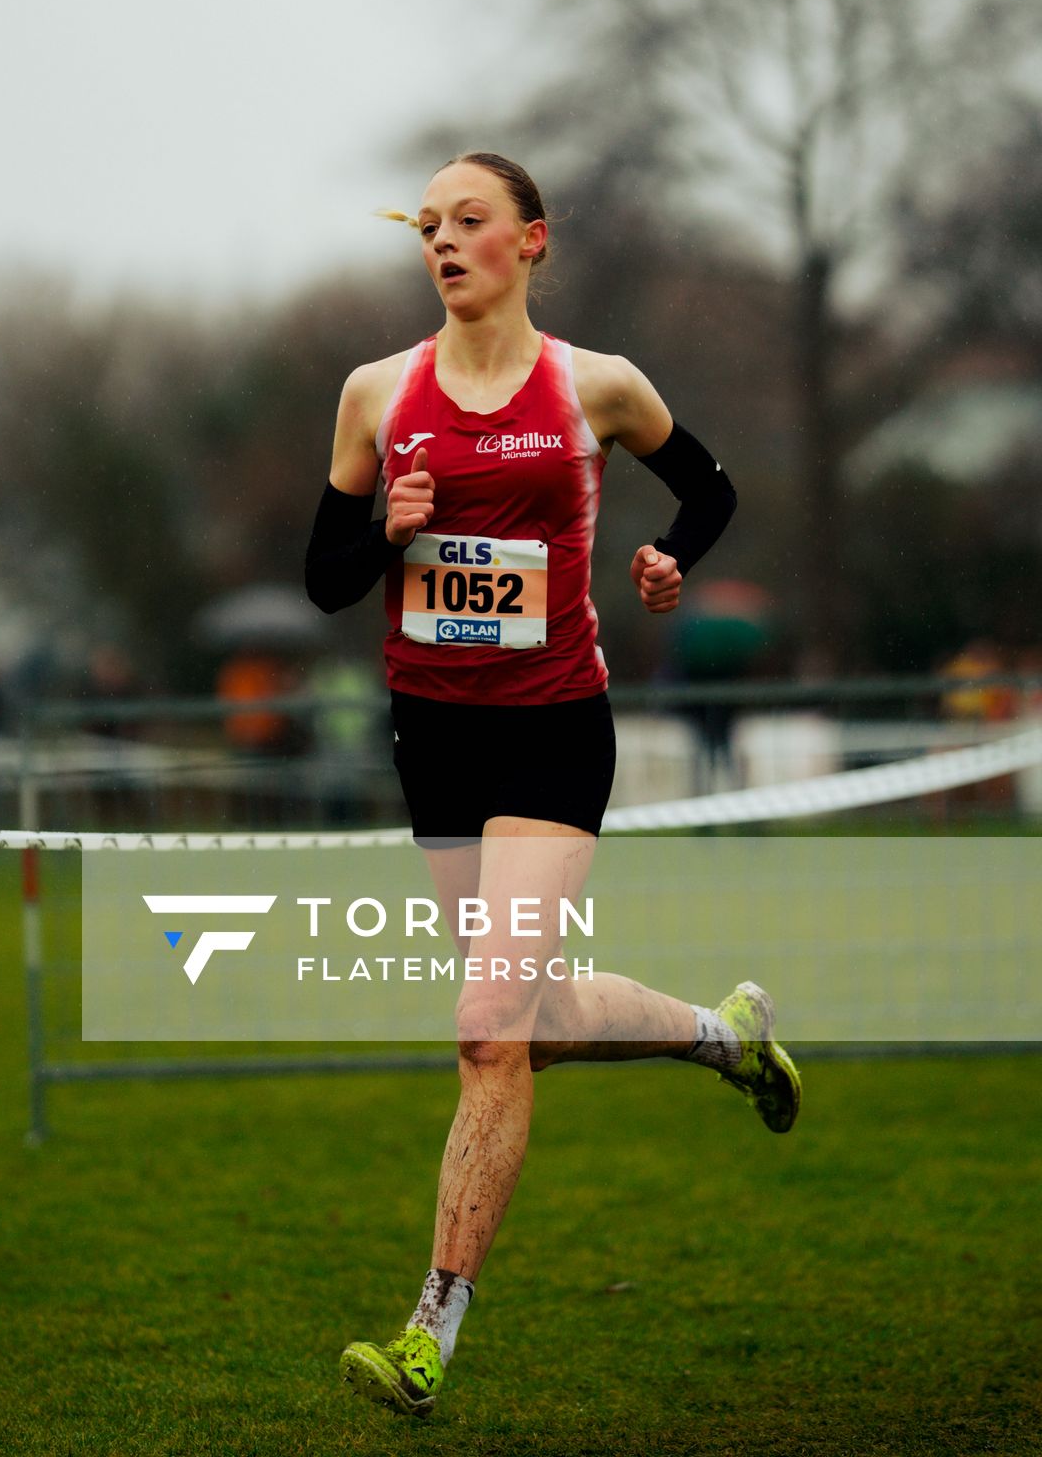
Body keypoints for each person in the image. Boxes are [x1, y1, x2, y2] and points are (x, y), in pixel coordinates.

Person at [304, 151, 801, 1418]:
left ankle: (427, 1335)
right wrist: (388, 534)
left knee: (482, 1028)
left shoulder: (595, 385)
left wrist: (665, 558)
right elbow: (323, 576)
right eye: (428, 226)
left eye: (470, 221)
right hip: (433, 736)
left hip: (550, 729)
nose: (444, 241)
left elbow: (711, 486)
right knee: (522, 1019)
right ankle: (717, 1035)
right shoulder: (376, 394)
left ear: (532, 242)